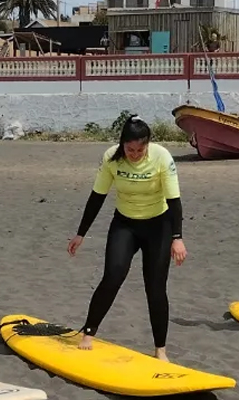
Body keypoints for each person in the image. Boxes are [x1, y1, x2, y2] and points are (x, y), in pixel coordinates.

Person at [69, 115, 187, 361]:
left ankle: (160, 350)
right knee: (113, 276)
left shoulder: (162, 157)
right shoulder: (111, 157)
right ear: (122, 144)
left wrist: (178, 237)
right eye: (129, 149)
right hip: (125, 224)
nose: (134, 154)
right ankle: (89, 332)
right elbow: (97, 196)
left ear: (148, 145)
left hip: (159, 225)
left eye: (139, 150)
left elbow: (175, 201)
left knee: (155, 288)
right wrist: (81, 233)